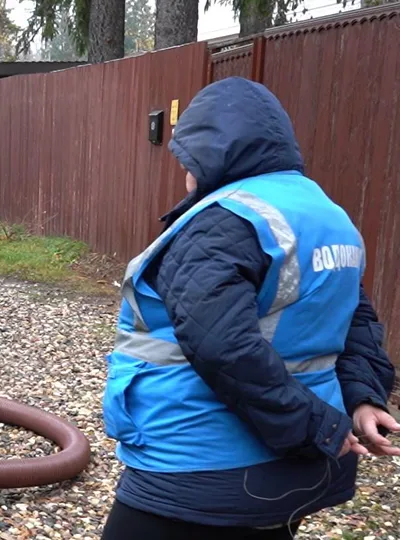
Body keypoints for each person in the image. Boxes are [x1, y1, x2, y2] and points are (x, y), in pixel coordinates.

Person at [100, 76, 399, 540]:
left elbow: (221, 345)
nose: (185, 173)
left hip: (201, 467)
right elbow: (356, 320)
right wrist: (361, 398)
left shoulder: (224, 222)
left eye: (188, 159)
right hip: (302, 466)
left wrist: (319, 427)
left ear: (212, 154)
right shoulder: (326, 214)